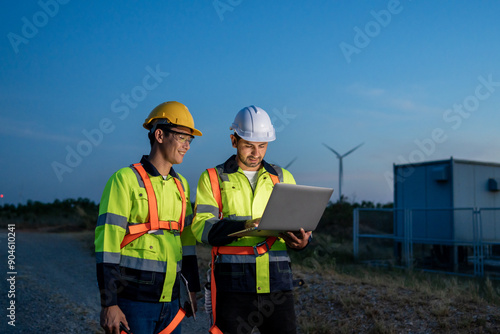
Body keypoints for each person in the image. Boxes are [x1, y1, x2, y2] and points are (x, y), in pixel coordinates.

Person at [192, 105, 311, 334]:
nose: (256, 153)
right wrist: (245, 226)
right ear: (233, 140)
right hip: (232, 287)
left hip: (277, 286)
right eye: (249, 145)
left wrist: (303, 242)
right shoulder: (213, 178)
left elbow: (301, 224)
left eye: (262, 146)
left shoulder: (283, 177)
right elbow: (201, 228)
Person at [95, 101, 202, 334]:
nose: (187, 146)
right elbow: (107, 246)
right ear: (160, 135)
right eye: (183, 137)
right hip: (133, 303)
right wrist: (109, 303)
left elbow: (187, 243)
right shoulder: (124, 180)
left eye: (189, 140)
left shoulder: (181, 185)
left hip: (171, 303)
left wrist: (191, 288)